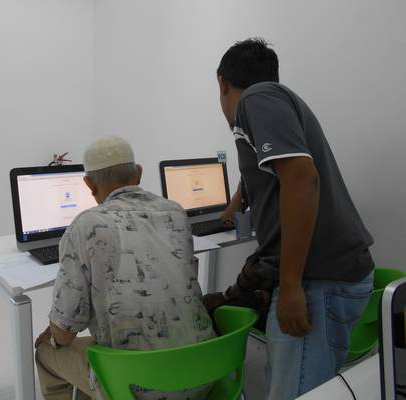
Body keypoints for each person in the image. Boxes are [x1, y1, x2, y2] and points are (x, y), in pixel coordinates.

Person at [215, 38, 375, 399]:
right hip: (337, 272)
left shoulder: (257, 99)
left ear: (222, 82)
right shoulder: (273, 101)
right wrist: (234, 205)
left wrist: (290, 285)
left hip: (317, 281)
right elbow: (266, 168)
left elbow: (301, 178)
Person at [34, 136, 215, 400]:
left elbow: (64, 334)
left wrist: (50, 336)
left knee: (46, 352)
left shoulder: (84, 226)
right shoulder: (176, 212)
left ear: (89, 184)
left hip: (137, 387)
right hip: (205, 371)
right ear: (138, 173)